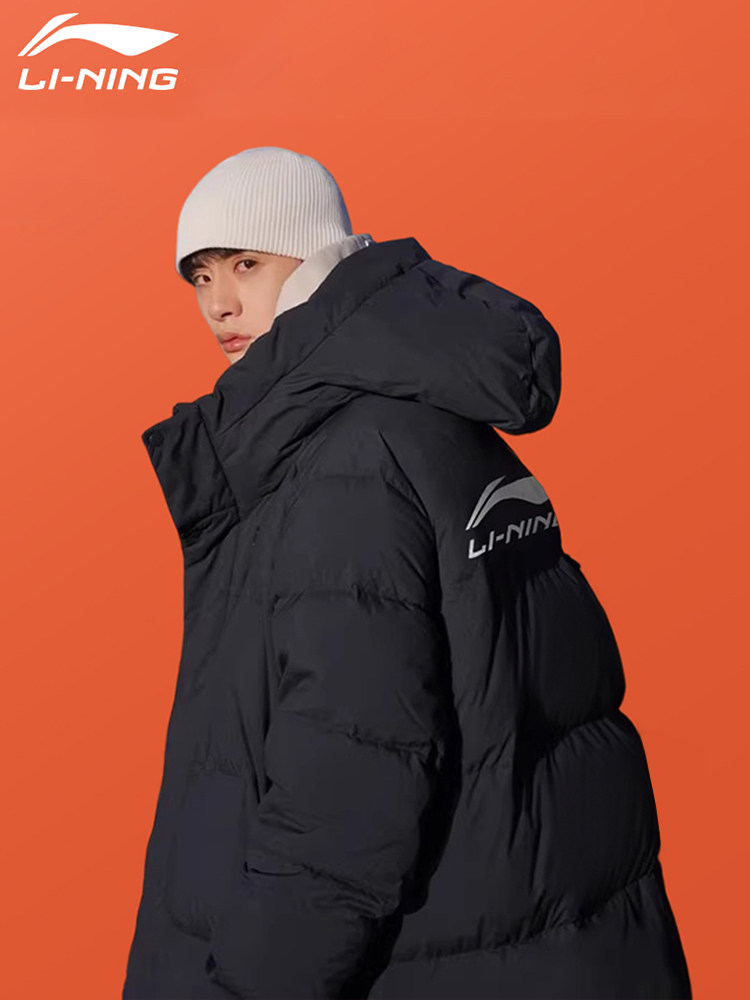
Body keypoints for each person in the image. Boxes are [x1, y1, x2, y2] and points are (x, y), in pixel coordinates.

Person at [122, 146, 692, 999]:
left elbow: (346, 785)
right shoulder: (426, 413)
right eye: (199, 276)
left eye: (246, 264)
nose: (218, 303)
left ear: (318, 260)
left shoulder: (348, 458)